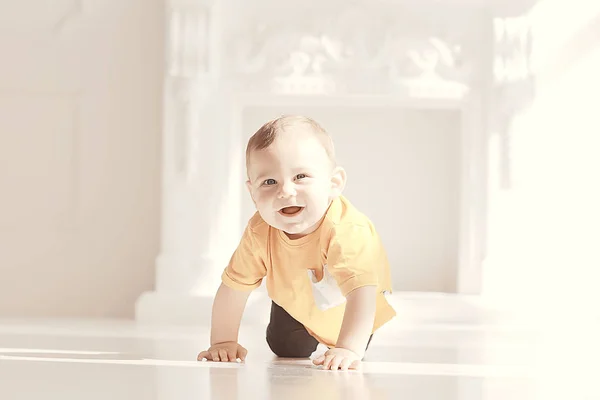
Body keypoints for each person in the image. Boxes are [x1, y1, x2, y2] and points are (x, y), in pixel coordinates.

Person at [197, 115, 396, 370]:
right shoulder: (260, 231)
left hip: (351, 306)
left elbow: (362, 293)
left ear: (334, 184)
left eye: (300, 176)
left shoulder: (347, 231)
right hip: (294, 298)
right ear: (252, 193)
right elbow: (234, 288)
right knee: (285, 347)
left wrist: (348, 349)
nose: (285, 191)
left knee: (346, 346)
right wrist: (222, 341)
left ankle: (348, 341)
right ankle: (302, 328)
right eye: (269, 182)